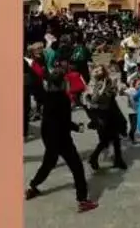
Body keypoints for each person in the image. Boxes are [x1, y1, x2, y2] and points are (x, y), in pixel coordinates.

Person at [25, 68, 99, 213]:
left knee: (48, 163)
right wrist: (77, 128)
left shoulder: (47, 96)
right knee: (77, 168)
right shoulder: (63, 99)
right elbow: (64, 122)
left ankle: (32, 187)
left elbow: (49, 120)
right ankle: (82, 200)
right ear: (61, 84)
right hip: (61, 139)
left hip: (49, 137)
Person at [84, 65, 127, 171]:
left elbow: (112, 95)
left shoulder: (106, 81)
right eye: (96, 70)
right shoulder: (94, 84)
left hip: (110, 113)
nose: (98, 71)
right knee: (106, 140)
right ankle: (95, 158)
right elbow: (92, 100)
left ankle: (117, 159)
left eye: (100, 70)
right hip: (102, 115)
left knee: (113, 138)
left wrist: (115, 88)